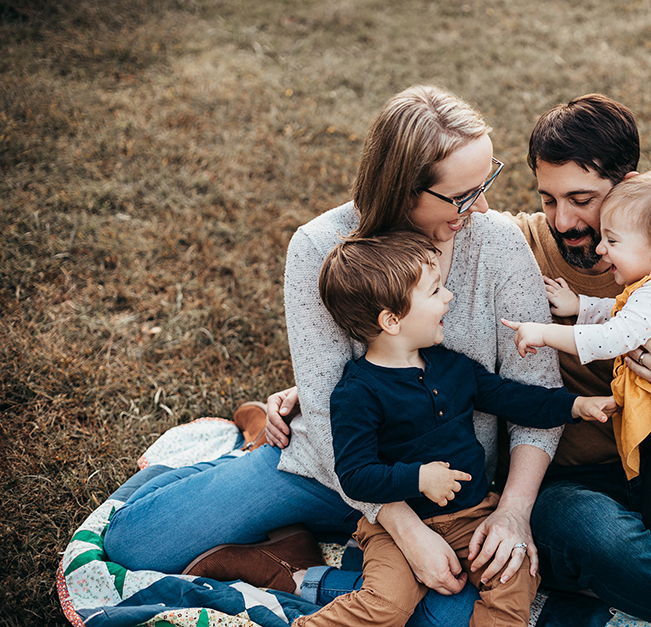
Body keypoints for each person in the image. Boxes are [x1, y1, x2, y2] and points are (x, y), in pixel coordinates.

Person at [266, 94, 651, 626]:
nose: (565, 220)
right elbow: (400, 287)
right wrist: (311, 389)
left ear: (629, 189)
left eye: (584, 200)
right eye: (547, 198)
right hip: (561, 486)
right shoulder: (518, 244)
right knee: (615, 546)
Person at [102, 85, 570, 627]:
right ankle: (255, 447)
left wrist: (513, 511)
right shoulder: (318, 245)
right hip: (337, 467)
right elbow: (327, 414)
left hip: (449, 491)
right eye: (462, 195)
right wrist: (404, 529)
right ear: (402, 189)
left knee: (450, 616)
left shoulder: (499, 244)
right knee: (137, 542)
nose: (483, 207)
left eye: (486, 182)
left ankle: (290, 564)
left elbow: (536, 394)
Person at [296, 231, 613, 627]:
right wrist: (419, 478)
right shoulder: (357, 393)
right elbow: (356, 476)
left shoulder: (452, 367)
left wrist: (576, 406)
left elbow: (512, 398)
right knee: (388, 606)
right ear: (391, 320)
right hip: (397, 532)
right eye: (435, 291)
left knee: (517, 572)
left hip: (473, 515)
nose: (449, 297)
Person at [503, 169, 651, 567]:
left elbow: (614, 337)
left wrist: (543, 332)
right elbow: (621, 311)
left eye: (613, 241)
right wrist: (579, 305)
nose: (602, 250)